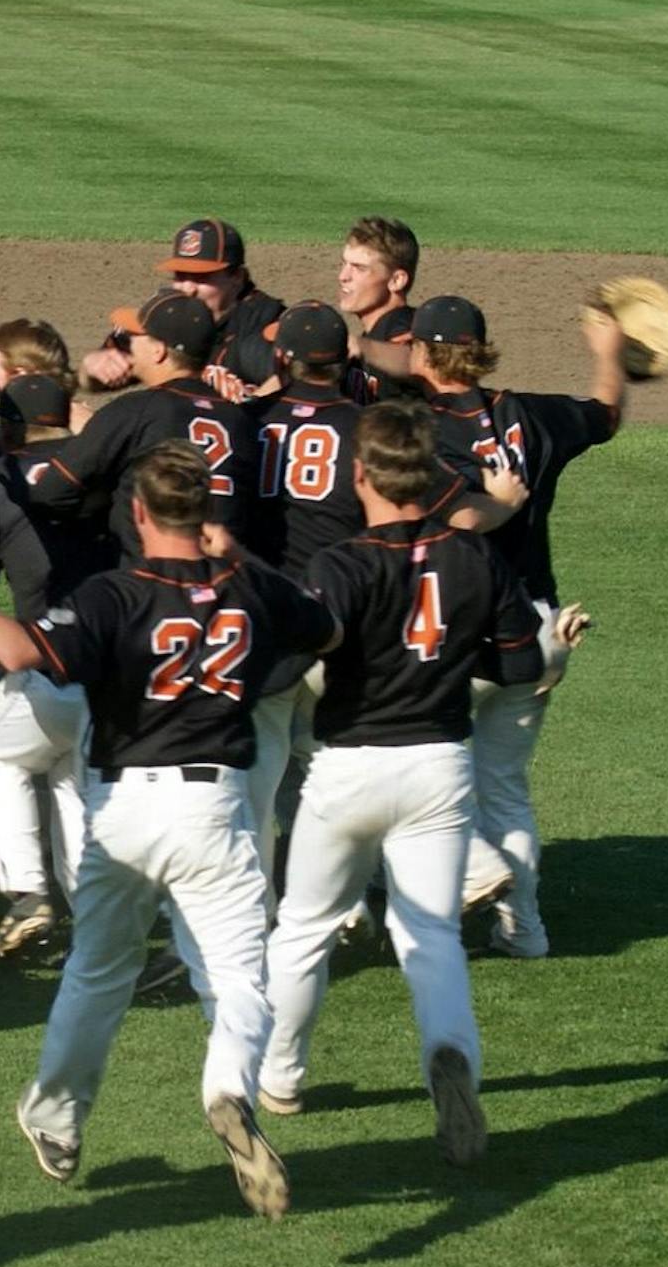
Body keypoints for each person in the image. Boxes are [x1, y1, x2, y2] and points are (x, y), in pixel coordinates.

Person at [0, 441, 341, 1216]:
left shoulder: (115, 594)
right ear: (208, 514)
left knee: (98, 971)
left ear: (137, 512)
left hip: (126, 813)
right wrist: (244, 560)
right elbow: (324, 630)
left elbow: (18, 646)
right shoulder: (249, 589)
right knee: (237, 976)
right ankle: (228, 1084)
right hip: (218, 809)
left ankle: (56, 1121)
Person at [258, 399, 548, 1163]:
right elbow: (521, 662)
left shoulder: (341, 563)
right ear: (437, 475)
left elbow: (294, 657)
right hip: (440, 767)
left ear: (360, 477)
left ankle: (280, 1078)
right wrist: (452, 659)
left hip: (350, 765)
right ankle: (451, 1058)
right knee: (431, 933)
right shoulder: (476, 557)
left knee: (303, 929)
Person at [411, 294, 627, 958]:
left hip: (464, 630)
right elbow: (607, 414)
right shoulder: (533, 414)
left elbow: (459, 517)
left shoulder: (416, 428)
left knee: (415, 773)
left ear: (424, 352)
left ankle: (469, 878)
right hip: (542, 629)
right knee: (503, 784)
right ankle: (524, 928)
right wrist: (610, 353)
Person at [0, 372, 97, 956]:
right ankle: (89, 904)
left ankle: (27, 892)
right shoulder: (105, 468)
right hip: (110, 674)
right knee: (74, 779)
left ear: (11, 427)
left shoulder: (0, 477)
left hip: (45, 669)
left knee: (0, 756)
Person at [23, 290, 260, 563]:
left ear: (158, 351)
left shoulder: (135, 410)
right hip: (225, 580)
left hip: (148, 582)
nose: (125, 344)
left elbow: (50, 494)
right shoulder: (240, 420)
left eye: (132, 338)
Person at [80, 220, 284, 402]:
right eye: (180, 276)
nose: (188, 289)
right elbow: (90, 381)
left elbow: (296, 376)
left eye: (202, 278)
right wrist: (91, 367)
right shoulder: (167, 312)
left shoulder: (263, 323)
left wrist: (248, 411)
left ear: (238, 277)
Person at [337, 216, 420, 400]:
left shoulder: (406, 326)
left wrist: (358, 346)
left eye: (359, 268)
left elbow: (416, 362)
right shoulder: (374, 335)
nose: (343, 276)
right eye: (344, 264)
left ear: (396, 280)